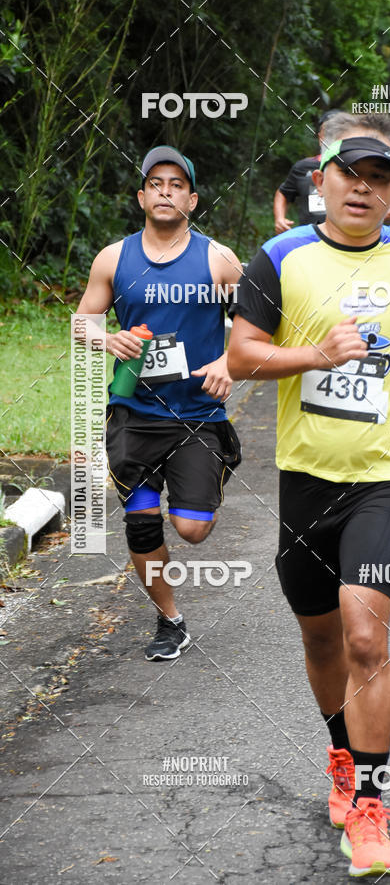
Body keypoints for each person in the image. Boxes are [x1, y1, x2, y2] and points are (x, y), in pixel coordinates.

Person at [228, 112, 390, 877]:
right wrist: (315, 353)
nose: (362, 189)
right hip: (305, 477)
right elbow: (240, 358)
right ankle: (340, 755)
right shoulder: (280, 257)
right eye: (349, 175)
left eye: (378, 179)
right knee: (322, 636)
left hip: (388, 472)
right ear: (320, 181)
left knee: (367, 635)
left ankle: (369, 808)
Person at [76, 145, 241, 660]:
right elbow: (83, 322)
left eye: (176, 184)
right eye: (156, 183)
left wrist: (230, 363)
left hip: (197, 416)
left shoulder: (218, 259)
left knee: (192, 529)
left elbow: (257, 327)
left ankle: (201, 476)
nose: (165, 191)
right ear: (142, 196)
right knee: (142, 521)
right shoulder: (113, 257)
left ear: (191, 199)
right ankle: (170, 620)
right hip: (134, 416)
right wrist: (108, 339)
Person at [273, 110, 342, 233]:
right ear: (320, 137)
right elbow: (283, 192)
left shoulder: (359, 168)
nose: (333, 137)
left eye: (339, 131)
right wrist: (280, 218)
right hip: (309, 240)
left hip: (348, 241)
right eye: (328, 132)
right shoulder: (303, 167)